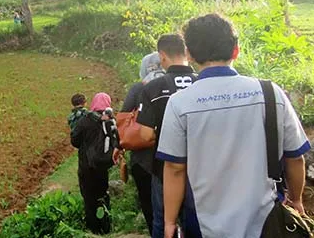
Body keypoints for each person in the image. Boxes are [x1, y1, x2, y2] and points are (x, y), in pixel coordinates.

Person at [158, 14, 310, 238]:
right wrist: (296, 200)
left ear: (189, 54)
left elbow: (175, 168)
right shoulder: (270, 93)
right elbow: (295, 158)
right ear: (236, 50)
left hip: (203, 224)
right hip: (266, 222)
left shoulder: (180, 103)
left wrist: (169, 221)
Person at [136, 34, 197, 238]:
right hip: (203, 168)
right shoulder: (203, 83)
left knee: (163, 222)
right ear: (187, 53)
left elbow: (145, 136)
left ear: (162, 56)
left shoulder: (153, 88)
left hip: (165, 168)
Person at [118, 52, 165, 235]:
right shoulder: (174, 84)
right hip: (176, 155)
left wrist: (118, 146)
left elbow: (123, 118)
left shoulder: (138, 89)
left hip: (143, 159)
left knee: (149, 202)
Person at [71, 93, 119, 234]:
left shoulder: (85, 120)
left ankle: (93, 230)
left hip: (86, 166)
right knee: (103, 195)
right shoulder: (109, 120)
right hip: (102, 166)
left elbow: (74, 141)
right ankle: (106, 227)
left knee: (89, 198)